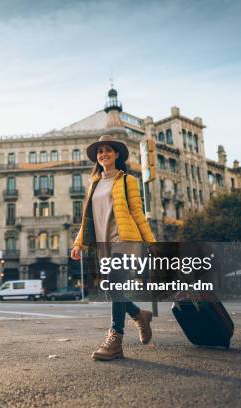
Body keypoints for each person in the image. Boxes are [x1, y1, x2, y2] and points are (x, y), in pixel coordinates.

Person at [70, 134, 156, 361]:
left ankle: (115, 339)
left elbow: (137, 214)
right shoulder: (94, 184)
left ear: (117, 155)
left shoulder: (128, 181)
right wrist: (78, 242)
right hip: (103, 245)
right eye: (100, 151)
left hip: (124, 240)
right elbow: (87, 218)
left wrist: (153, 244)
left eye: (108, 150)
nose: (103, 154)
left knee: (115, 285)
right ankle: (139, 315)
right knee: (111, 290)